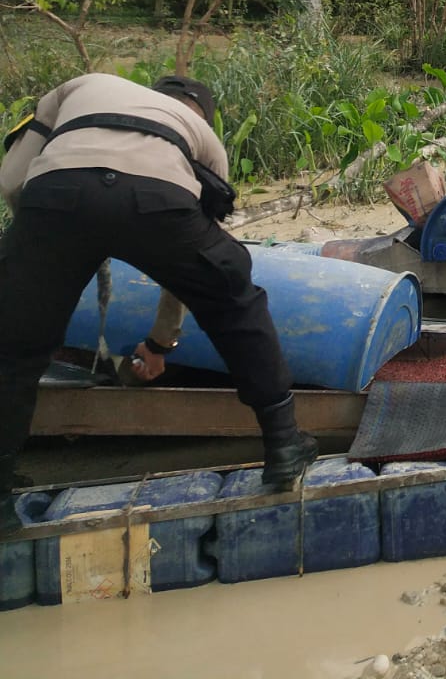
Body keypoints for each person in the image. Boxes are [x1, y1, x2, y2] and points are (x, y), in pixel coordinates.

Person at [1, 73, 318, 533]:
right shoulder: (205, 139)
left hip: (54, 195)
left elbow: (12, 180)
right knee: (235, 300)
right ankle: (285, 443)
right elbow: (192, 273)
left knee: (13, 349)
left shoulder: (84, 85)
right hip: (157, 198)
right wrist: (162, 342)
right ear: (201, 116)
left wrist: (37, 249)